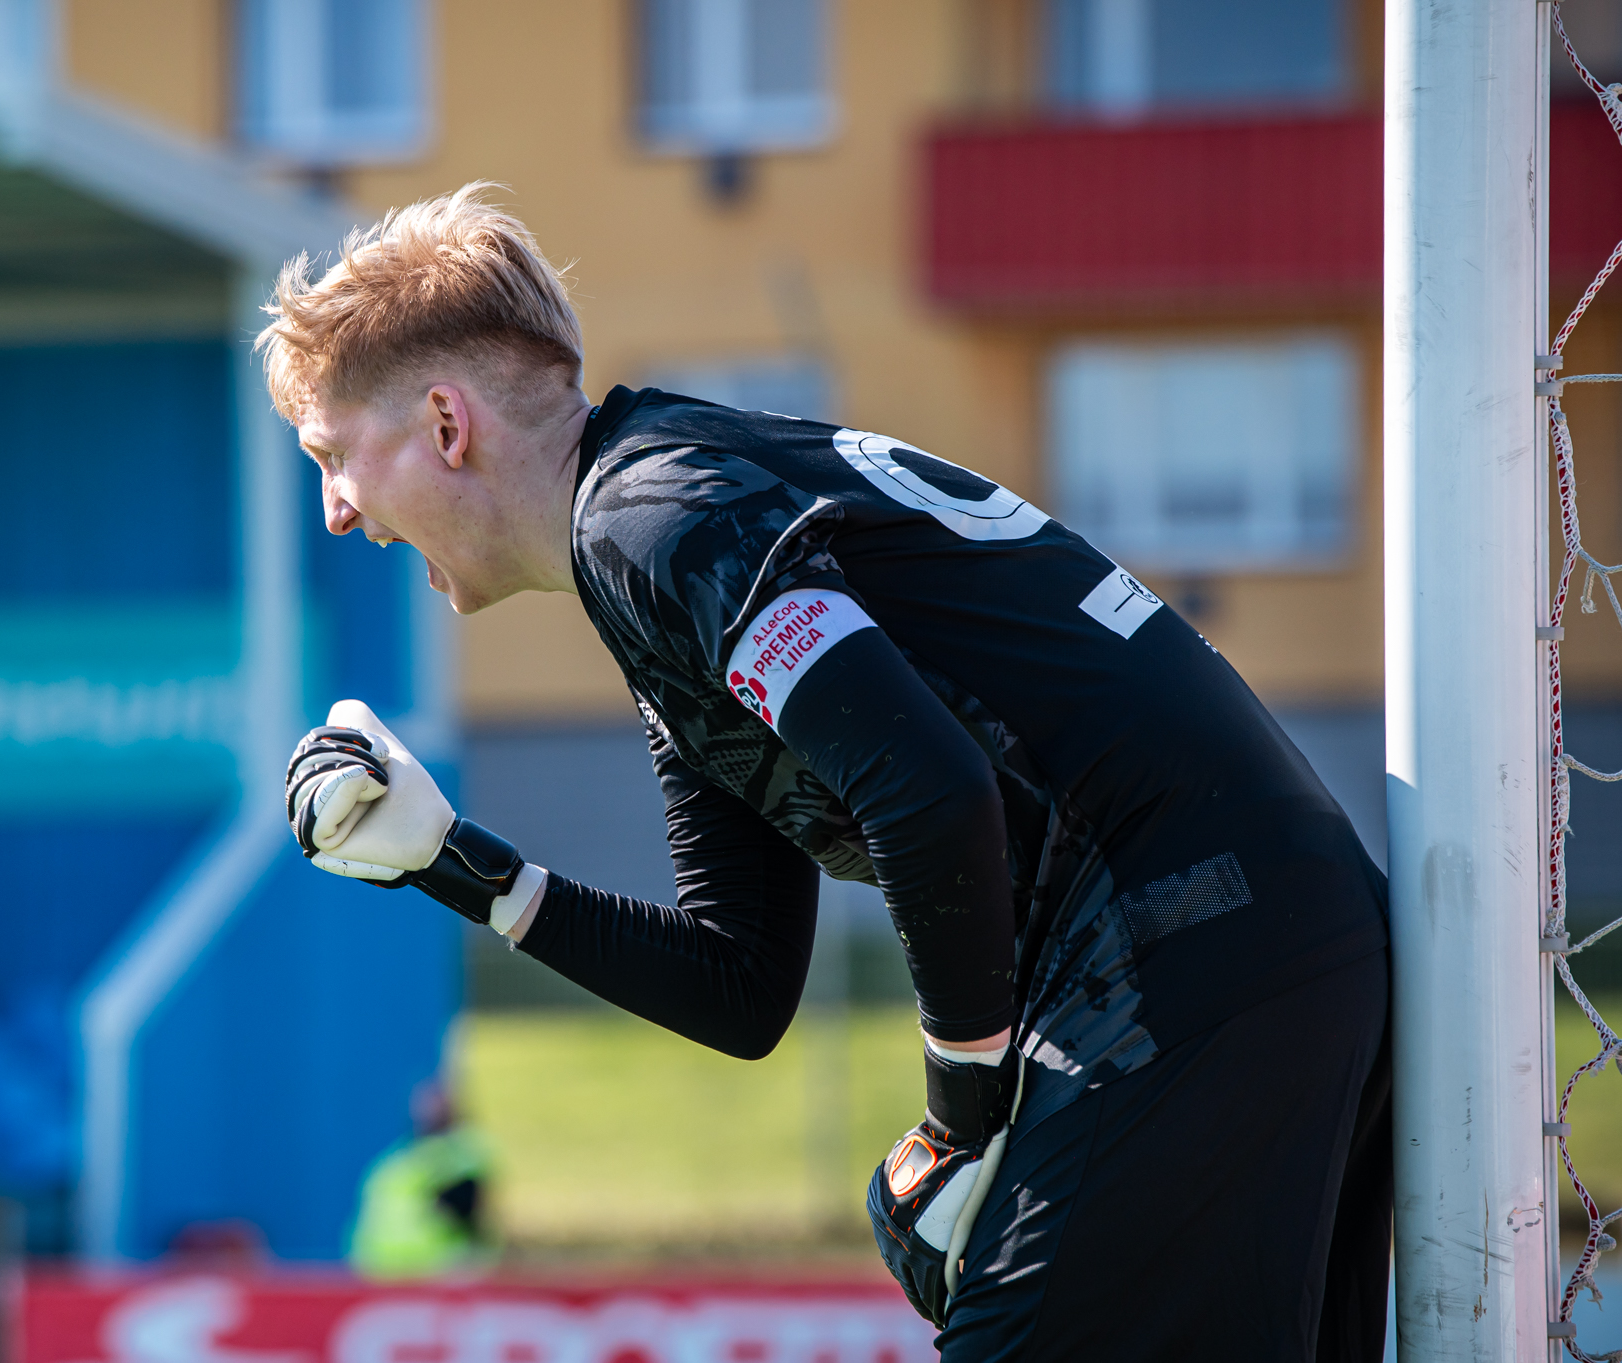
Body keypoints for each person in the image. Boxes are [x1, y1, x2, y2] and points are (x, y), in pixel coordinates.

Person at [264, 185, 1391, 1360]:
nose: (337, 512)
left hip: (1189, 959)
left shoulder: (651, 518)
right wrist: (455, 862)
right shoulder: (657, 541)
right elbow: (740, 983)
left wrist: (958, 1123)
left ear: (447, 425)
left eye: (332, 456)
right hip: (1252, 945)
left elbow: (930, 792)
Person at [347, 1077, 497, 1280]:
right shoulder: (397, 1161)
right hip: (381, 1275)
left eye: (436, 1103)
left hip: (439, 1275)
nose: (428, 1110)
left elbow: (470, 1214)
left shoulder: (463, 1158)